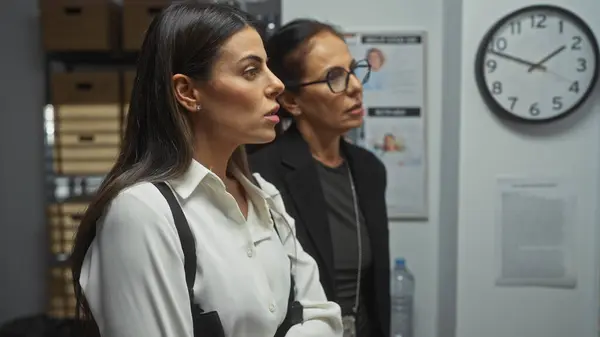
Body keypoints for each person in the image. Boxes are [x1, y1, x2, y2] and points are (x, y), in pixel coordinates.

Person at [69, 3, 343, 337]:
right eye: (250, 71)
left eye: (267, 68)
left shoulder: (264, 196)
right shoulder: (142, 212)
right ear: (187, 91)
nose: (276, 85)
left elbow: (324, 318)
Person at [249, 19, 391, 337]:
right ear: (291, 101)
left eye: (353, 70)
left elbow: (375, 291)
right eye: (335, 78)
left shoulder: (369, 169)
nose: (355, 86)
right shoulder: (261, 175)